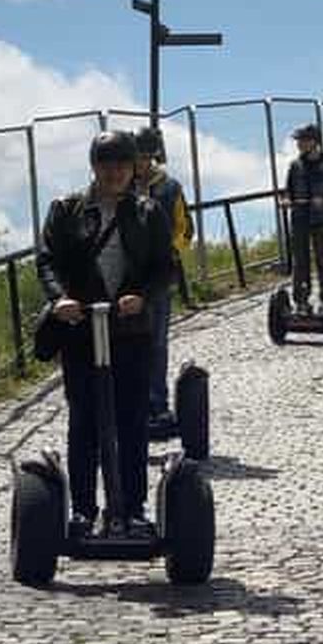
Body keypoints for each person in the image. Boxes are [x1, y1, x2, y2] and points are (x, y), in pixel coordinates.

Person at [36, 130, 174, 537]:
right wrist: (59, 299)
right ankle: (82, 510)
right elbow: (47, 260)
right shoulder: (66, 210)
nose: (115, 172)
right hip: (81, 328)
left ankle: (133, 509)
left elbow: (166, 267)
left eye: (122, 165)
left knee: (132, 420)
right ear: (94, 167)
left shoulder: (148, 212)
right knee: (84, 419)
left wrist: (142, 296)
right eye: (106, 164)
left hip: (130, 330)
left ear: (133, 168)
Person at [133, 125, 194, 425]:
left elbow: (186, 229)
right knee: (127, 342)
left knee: (156, 342)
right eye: (136, 157)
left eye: (145, 157)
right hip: (127, 275)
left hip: (160, 275)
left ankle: (157, 403)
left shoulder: (170, 188)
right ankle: (130, 401)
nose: (140, 163)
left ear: (154, 157)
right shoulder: (122, 185)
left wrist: (170, 250)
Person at [283, 124, 323, 314]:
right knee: (300, 261)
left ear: (314, 142)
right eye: (298, 141)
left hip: (319, 219)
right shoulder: (295, 166)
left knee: (322, 260)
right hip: (299, 218)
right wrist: (287, 200)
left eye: (302, 140)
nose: (299, 144)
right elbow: (288, 190)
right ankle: (301, 301)